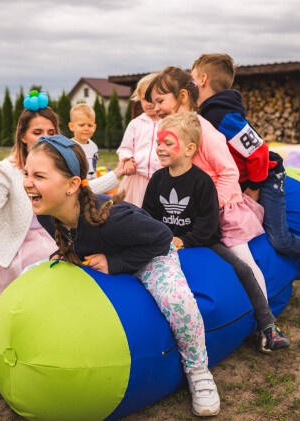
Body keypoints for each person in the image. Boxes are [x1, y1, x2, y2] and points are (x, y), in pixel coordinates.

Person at [26, 135, 220, 417]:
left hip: (150, 256)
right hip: (105, 256)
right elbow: (69, 240)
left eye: (39, 176)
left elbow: (162, 237)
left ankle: (198, 370)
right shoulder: (46, 211)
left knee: (178, 302)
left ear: (71, 186)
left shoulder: (112, 217)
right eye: (27, 174)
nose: (28, 182)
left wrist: (116, 261)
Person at [191, 53, 300, 302]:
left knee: (280, 240)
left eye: (192, 78)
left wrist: (254, 187)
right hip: (241, 180)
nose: (191, 84)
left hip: (267, 177)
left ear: (203, 79)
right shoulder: (204, 115)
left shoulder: (223, 116)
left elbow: (258, 151)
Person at [145, 66, 276, 350]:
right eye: (152, 103)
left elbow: (228, 172)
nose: (154, 108)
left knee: (244, 264)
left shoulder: (204, 130)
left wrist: (206, 206)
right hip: (180, 216)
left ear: (181, 97)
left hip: (218, 212)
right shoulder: (166, 133)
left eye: (160, 101)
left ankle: (268, 324)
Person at [0, 94, 123, 307]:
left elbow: (79, 189)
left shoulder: (59, 165)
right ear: (23, 136)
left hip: (52, 235)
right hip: (17, 247)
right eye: (37, 132)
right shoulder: (6, 170)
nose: (44, 138)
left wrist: (116, 173)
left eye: (51, 133)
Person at [116, 73, 161, 206]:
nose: (149, 104)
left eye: (154, 99)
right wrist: (128, 160)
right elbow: (125, 148)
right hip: (136, 178)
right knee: (132, 209)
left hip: (159, 177)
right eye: (145, 99)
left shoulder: (168, 122)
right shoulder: (136, 123)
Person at [68, 103, 99, 180]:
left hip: (92, 185)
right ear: (72, 126)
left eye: (90, 125)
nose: (86, 128)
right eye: (82, 125)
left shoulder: (94, 146)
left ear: (94, 127)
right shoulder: (69, 147)